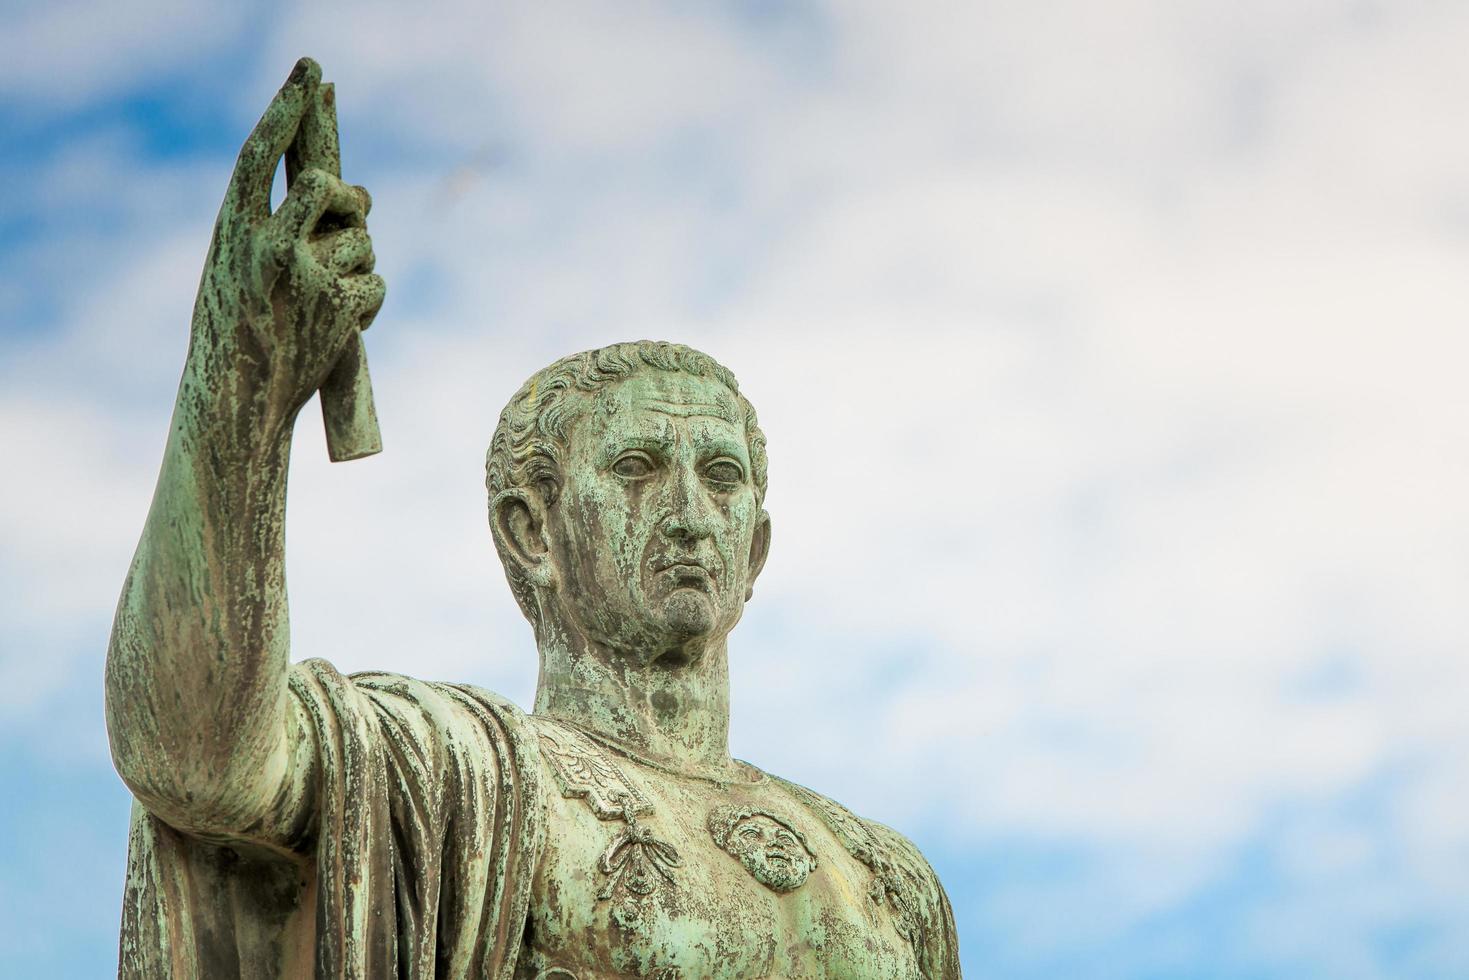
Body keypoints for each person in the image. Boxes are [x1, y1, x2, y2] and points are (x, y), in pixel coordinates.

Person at [106, 58, 960, 979]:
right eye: (636, 468)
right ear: (531, 533)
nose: (686, 515)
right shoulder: (461, 775)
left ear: (755, 549)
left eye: (720, 478)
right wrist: (243, 390)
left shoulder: (886, 877)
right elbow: (197, 762)